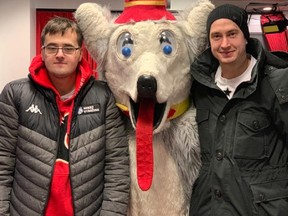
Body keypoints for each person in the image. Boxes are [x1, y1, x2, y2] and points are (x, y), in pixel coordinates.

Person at [0, 17, 130, 216]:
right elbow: (3, 162)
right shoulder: (15, 94)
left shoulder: (103, 96)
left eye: (68, 48)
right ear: (42, 52)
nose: (60, 54)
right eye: (52, 48)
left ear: (80, 54)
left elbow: (117, 167)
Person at [189, 4, 288, 216]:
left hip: (261, 208)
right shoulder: (200, 87)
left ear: (245, 37)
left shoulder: (276, 82)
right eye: (216, 36)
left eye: (232, 34)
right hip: (209, 207)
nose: (224, 44)